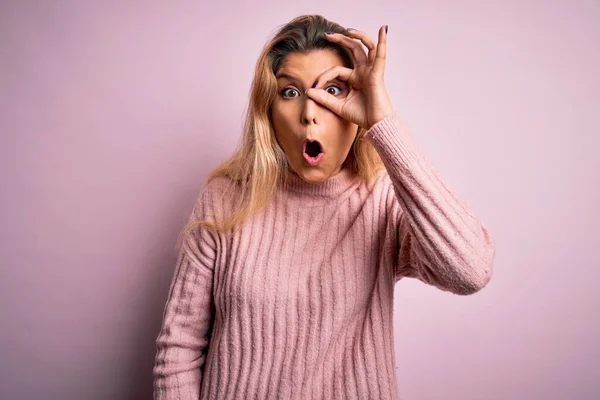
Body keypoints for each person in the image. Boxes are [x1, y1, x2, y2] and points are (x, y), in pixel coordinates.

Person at [152, 14, 495, 400]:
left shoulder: (379, 200)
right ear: (269, 111)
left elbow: (470, 270)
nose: (309, 113)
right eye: (290, 92)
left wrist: (383, 122)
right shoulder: (225, 197)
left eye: (332, 90)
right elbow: (179, 348)